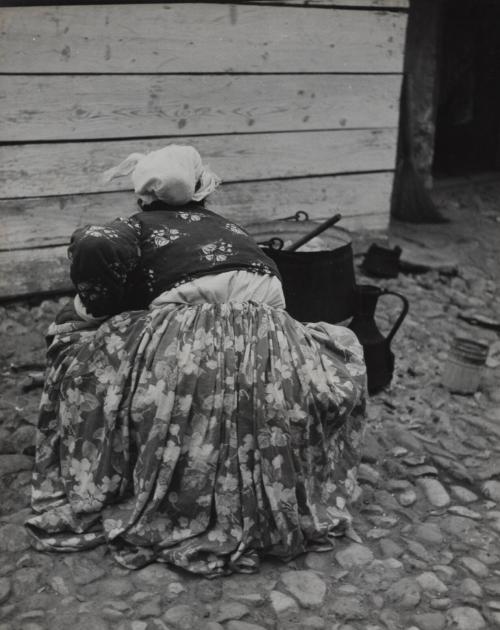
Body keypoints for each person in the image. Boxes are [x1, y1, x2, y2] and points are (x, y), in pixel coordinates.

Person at [26, 144, 367, 577]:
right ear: (203, 191)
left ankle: (167, 486)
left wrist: (85, 313)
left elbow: (94, 244)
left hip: (191, 338)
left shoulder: (134, 226)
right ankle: (254, 491)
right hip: (274, 345)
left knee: (86, 356)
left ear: (143, 196)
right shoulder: (229, 228)